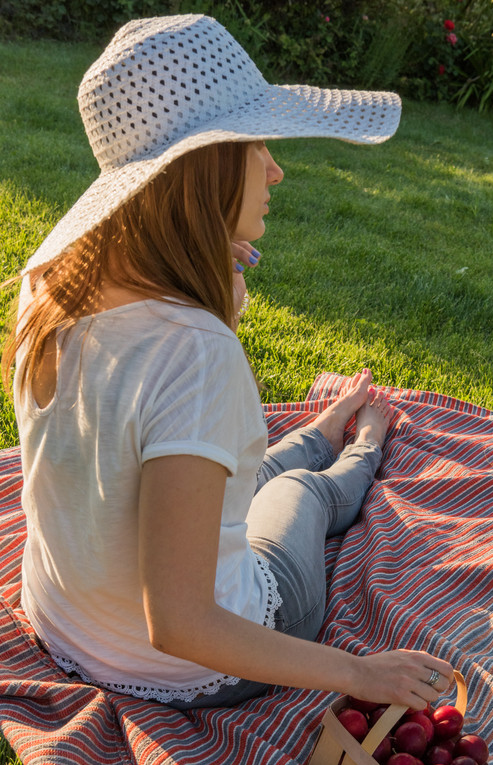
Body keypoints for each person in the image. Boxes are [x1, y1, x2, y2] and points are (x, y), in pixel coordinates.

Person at [1, 14, 453, 711]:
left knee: (253, 476)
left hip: (66, 622)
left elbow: (164, 403)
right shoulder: (193, 351)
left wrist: (216, 300)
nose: (275, 168)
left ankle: (320, 430)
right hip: (190, 667)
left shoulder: (46, 284)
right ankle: (360, 445)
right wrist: (359, 673)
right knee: (295, 494)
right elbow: (180, 623)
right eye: (257, 143)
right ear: (203, 167)